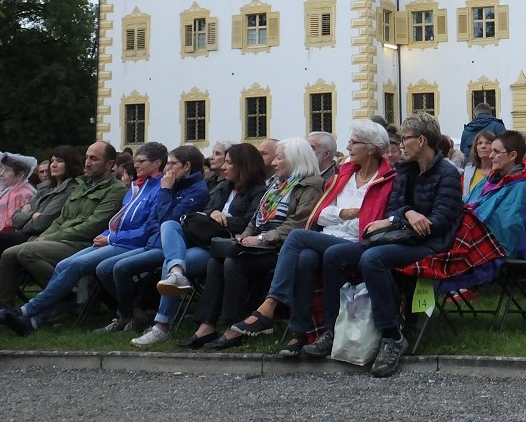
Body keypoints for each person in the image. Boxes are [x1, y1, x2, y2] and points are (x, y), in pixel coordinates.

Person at [213, 121, 396, 356]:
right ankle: (300, 333)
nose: (348, 146)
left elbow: (366, 221)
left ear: (371, 148)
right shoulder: (345, 176)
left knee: (299, 237)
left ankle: (269, 307)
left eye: (354, 142)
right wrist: (342, 213)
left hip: (357, 242)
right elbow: (322, 214)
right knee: (305, 258)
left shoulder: (385, 179)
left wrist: (341, 216)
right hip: (326, 238)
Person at [317, 112, 464, 377]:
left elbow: (438, 222)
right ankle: (332, 329)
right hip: (401, 237)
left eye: (405, 138)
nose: (399, 144)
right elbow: (394, 208)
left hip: (432, 245)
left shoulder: (447, 174)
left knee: (373, 259)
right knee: (334, 254)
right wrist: (408, 214)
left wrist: (399, 220)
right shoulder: (406, 170)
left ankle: (391, 336)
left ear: (421, 140)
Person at [0, 142, 168, 335]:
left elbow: (147, 228)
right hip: (111, 239)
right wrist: (105, 235)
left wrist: (110, 239)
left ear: (157, 163)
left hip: (129, 243)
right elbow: (117, 221)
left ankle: (26, 310)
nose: (135, 165)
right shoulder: (137, 187)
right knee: (63, 266)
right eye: (135, 160)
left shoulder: (158, 189)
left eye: (141, 161)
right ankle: (34, 321)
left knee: (76, 264)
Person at [191, 138, 323, 350]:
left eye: (280, 158)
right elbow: (256, 219)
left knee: (234, 263)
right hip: (258, 242)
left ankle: (234, 327)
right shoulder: (277, 184)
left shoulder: (311, 185)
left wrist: (261, 238)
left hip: (280, 246)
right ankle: (207, 325)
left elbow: (298, 223)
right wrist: (244, 236)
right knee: (216, 261)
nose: (274, 163)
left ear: (296, 160)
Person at [135, 143, 267, 347]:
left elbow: (250, 222)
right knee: (170, 233)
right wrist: (212, 213)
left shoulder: (258, 191)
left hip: (220, 245)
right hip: (199, 240)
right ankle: (176, 274)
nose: (224, 167)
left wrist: (221, 218)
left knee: (163, 267)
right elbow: (194, 214)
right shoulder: (223, 187)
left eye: (229, 163)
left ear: (244, 165)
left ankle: (161, 326)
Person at [0, 143, 121, 314]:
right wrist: (45, 236)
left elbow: (91, 226)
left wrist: (49, 237)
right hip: (61, 239)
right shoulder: (82, 186)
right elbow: (61, 219)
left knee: (26, 252)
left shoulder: (116, 190)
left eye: (94, 159)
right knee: (9, 253)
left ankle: (62, 296)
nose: (87, 163)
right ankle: (3, 310)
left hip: (85, 243)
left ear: (110, 164)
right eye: (87, 157)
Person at [94, 145, 210, 334]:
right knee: (103, 268)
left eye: (172, 164)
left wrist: (165, 191)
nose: (167, 169)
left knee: (120, 268)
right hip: (153, 241)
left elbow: (169, 221)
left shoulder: (195, 191)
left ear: (187, 166)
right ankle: (135, 313)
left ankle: (127, 317)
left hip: (170, 247)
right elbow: (154, 219)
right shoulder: (174, 184)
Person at [0, 146, 83, 322]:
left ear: (71, 164)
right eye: (52, 160)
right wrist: (31, 215)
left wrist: (28, 215)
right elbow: (16, 217)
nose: (53, 164)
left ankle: (63, 295)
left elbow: (43, 222)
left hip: (38, 238)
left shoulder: (70, 189)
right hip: (25, 234)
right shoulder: (45, 187)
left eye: (59, 161)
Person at [466, 130, 526, 260]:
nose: (490, 155)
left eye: (496, 152)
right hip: (477, 238)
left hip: (501, 247)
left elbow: (510, 225)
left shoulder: (523, 186)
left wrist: (470, 225)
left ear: (512, 155)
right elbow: (469, 204)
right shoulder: (489, 179)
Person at [0, 154, 38, 232]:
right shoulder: (5, 191)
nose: (1, 174)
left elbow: (11, 225)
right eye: (2, 169)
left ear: (20, 175)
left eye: (7, 170)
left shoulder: (24, 194)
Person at [462, 129, 496, 197]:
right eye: (480, 143)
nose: (483, 146)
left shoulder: (500, 171)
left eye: (488, 143)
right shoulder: (468, 171)